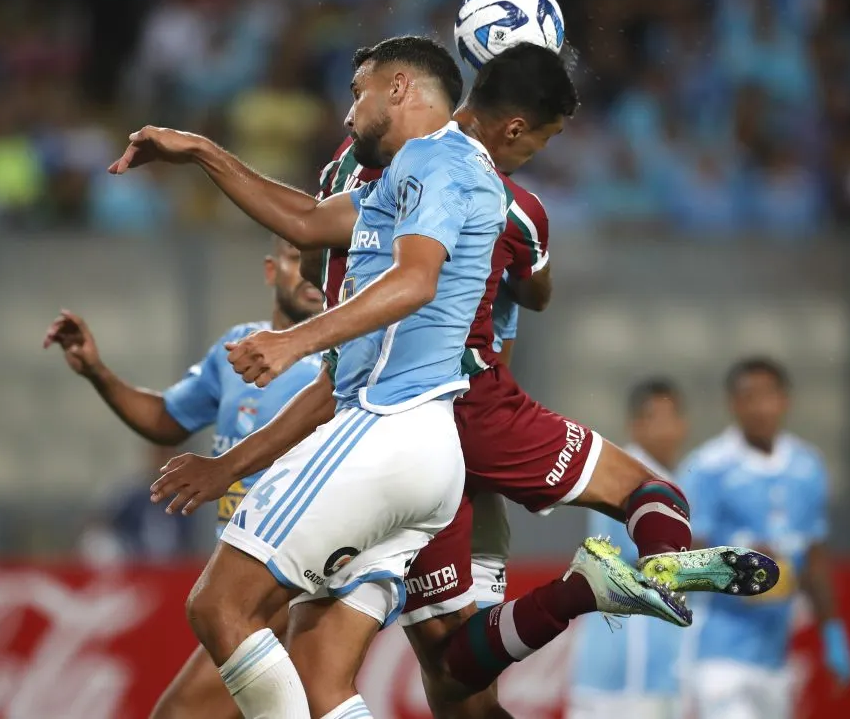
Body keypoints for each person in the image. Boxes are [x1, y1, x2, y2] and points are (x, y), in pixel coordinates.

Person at [125, 38, 707, 719]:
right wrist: (199, 151)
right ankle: (589, 587)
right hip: (421, 454)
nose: (347, 113)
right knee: (366, 676)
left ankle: (627, 575)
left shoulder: (441, 162)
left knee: (220, 606)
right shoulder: (413, 173)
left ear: (402, 89)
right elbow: (310, 222)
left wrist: (291, 342)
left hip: (390, 427)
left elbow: (416, 280)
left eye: (358, 92)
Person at [42, 237, 325, 719]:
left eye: (326, 255)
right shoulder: (239, 348)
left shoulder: (343, 362)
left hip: (295, 577)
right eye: (299, 257)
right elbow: (167, 419)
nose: (312, 271)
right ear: (270, 269)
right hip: (248, 576)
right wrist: (98, 372)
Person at [680, 357, 850, 719]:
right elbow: (677, 562)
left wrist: (833, 635)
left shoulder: (808, 467)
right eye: (749, 397)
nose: (760, 407)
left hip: (776, 656)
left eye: (769, 396)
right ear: (733, 404)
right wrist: (736, 564)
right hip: (719, 656)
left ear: (785, 400)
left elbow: (814, 558)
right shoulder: (708, 467)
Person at [569, 379, 691, 719]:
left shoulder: (676, 480)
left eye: (673, 418)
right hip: (620, 667)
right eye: (656, 419)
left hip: (655, 668)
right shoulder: (632, 479)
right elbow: (656, 562)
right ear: (636, 425)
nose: (666, 429)